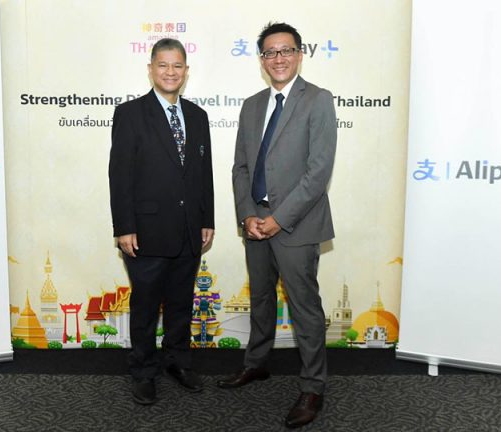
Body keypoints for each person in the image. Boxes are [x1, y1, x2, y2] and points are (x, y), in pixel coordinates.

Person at [220, 22, 337, 429]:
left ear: (299, 54)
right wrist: (248, 215)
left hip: (296, 225)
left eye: (286, 50)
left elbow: (318, 173)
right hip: (255, 222)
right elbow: (240, 167)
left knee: (304, 307)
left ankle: (313, 387)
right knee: (261, 298)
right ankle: (256, 363)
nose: (278, 58)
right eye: (270, 52)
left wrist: (278, 219)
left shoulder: (318, 100)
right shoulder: (252, 105)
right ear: (262, 60)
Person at [108, 38, 214, 405]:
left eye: (177, 66)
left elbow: (203, 173)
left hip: (189, 230)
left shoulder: (198, 116)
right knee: (146, 307)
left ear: (186, 71)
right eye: (163, 65)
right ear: (151, 69)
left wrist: (207, 218)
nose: (171, 72)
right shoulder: (130, 114)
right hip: (146, 232)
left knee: (182, 303)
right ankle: (143, 370)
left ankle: (178, 362)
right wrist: (124, 227)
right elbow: (120, 175)